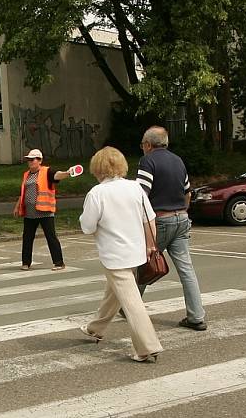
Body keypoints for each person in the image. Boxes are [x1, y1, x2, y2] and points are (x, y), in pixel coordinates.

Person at [79, 146, 164, 362]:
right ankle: (95, 328)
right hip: (136, 251)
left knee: (131, 301)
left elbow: (87, 227)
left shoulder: (97, 193)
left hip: (114, 255)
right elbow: (149, 219)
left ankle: (148, 346)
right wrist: (151, 246)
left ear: (97, 168)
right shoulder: (136, 188)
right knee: (115, 293)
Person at [136, 126, 207, 331]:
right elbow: (187, 192)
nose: (142, 148)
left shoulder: (147, 161)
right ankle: (196, 316)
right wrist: (182, 212)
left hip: (160, 220)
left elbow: (141, 195)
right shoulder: (178, 160)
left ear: (148, 145)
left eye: (143, 145)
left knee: (145, 263)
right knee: (186, 269)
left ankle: (131, 306)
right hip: (182, 219)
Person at [13, 149, 71, 271]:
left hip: (44, 211)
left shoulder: (47, 171)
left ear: (39, 160)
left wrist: (67, 173)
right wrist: (18, 205)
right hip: (29, 212)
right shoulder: (26, 174)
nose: (30, 162)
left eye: (32, 159)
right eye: (28, 160)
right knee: (27, 237)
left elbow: (57, 175)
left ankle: (59, 262)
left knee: (51, 237)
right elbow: (23, 192)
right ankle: (26, 262)